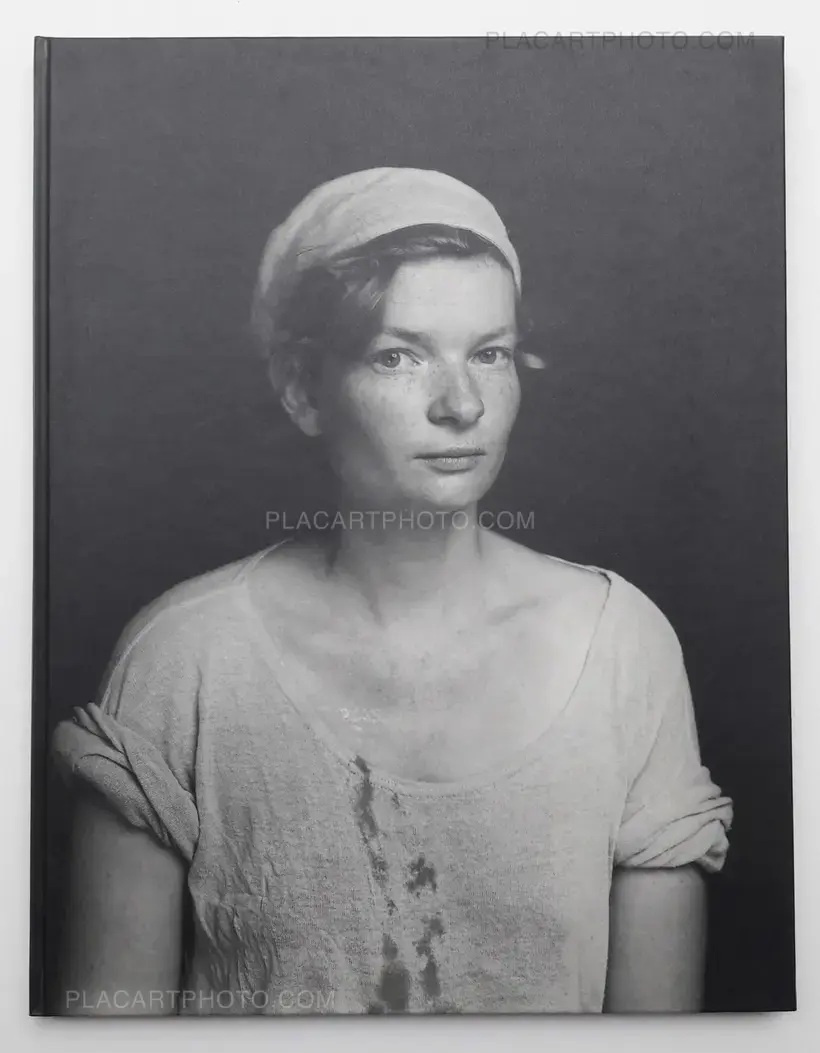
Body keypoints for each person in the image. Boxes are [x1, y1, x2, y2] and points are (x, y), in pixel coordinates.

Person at [51, 167, 733, 1016]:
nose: (461, 403)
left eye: (489, 353)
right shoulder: (185, 658)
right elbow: (105, 1030)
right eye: (398, 356)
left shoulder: (620, 645)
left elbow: (660, 1037)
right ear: (303, 388)